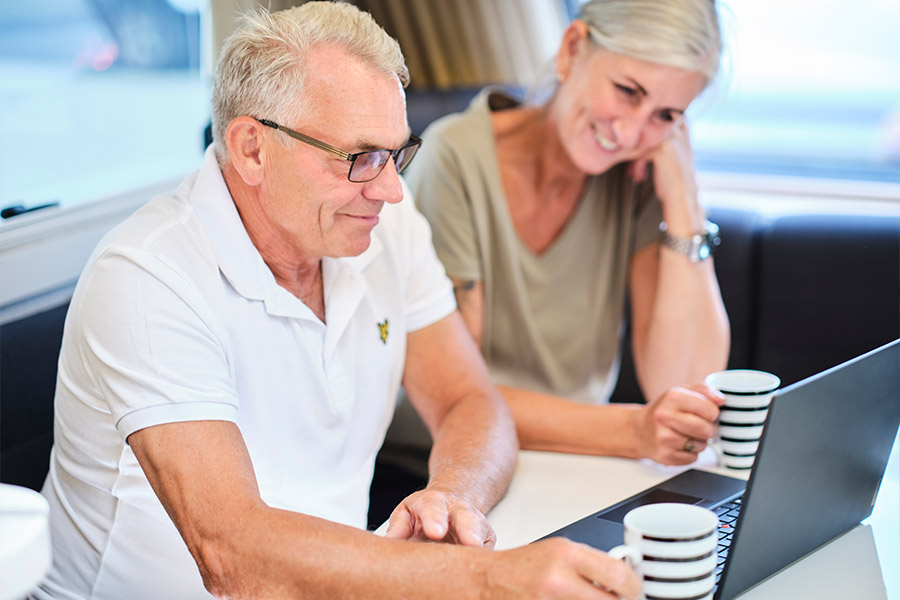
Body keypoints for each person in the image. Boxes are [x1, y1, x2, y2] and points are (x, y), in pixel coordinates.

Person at [36, 3, 641, 599]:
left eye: (398, 153)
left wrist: (452, 500)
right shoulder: (148, 275)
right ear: (251, 149)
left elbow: (468, 398)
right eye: (360, 157)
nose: (391, 190)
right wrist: (490, 579)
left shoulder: (381, 229)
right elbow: (233, 555)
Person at [400, 0, 730, 467]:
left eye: (667, 115)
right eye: (628, 91)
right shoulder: (453, 159)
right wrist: (632, 431)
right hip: (449, 465)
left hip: (577, 461)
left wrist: (685, 202)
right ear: (572, 48)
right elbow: (455, 398)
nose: (633, 132)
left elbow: (686, 387)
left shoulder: (636, 179)